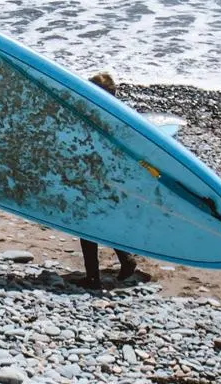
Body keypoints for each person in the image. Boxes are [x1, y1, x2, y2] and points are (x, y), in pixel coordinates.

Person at [75, 71, 138, 288]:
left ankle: (93, 277)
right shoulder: (121, 115)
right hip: (114, 176)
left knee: (86, 224)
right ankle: (125, 258)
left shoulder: (95, 114)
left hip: (96, 174)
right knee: (102, 219)